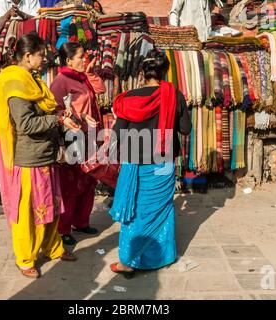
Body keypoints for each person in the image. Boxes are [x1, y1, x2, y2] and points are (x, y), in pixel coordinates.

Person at [0, 32, 78, 279]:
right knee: (27, 213)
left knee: (50, 206)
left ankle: (52, 248)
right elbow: (26, 124)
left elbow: (44, 110)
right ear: (28, 56)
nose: (45, 59)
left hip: (45, 154)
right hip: (29, 159)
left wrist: (61, 117)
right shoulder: (16, 85)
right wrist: (57, 118)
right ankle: (25, 258)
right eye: (41, 55)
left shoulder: (31, 79)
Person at [108, 49, 192, 278]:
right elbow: (185, 129)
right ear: (165, 71)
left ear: (142, 72)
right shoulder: (174, 95)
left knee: (134, 210)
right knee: (160, 209)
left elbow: (118, 134)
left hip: (134, 161)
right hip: (162, 162)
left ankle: (129, 261)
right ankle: (161, 257)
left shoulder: (127, 98)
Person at [50, 42, 106, 246]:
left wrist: (90, 73)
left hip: (91, 135)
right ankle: (64, 227)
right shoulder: (61, 81)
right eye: (81, 57)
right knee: (70, 184)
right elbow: (55, 110)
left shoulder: (83, 78)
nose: (85, 59)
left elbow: (101, 89)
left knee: (89, 179)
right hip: (73, 137)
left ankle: (82, 221)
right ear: (69, 61)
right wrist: (78, 116)